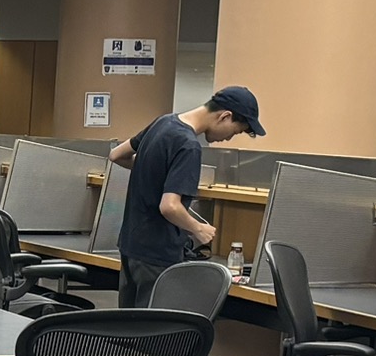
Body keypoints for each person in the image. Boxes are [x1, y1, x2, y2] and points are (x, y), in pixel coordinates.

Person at [107, 85, 262, 306]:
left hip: (131, 248)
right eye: (234, 132)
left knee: (130, 326)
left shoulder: (163, 123)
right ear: (225, 116)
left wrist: (153, 172)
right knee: (154, 332)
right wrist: (198, 228)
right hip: (158, 255)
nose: (228, 139)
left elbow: (116, 155)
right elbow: (169, 207)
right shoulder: (188, 146)